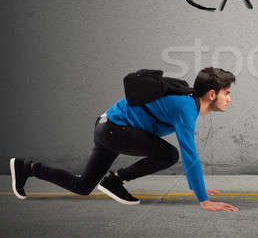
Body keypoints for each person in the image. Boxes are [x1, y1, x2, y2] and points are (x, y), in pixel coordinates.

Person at [9, 67, 238, 212]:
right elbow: (190, 155)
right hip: (114, 130)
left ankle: (27, 168)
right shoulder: (186, 108)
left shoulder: (188, 100)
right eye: (226, 93)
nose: (229, 98)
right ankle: (115, 180)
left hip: (107, 127)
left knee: (82, 187)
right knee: (170, 154)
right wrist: (203, 199)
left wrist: (199, 188)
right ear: (211, 94)